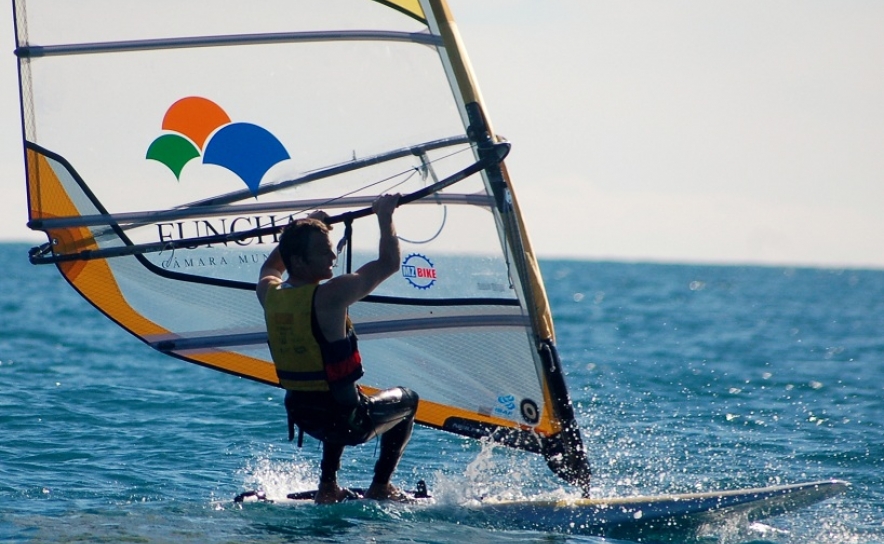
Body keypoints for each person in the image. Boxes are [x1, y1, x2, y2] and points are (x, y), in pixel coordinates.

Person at [256, 194, 419, 504]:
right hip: (346, 422)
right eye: (323, 250)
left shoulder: (268, 293)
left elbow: (272, 265)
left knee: (336, 391)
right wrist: (384, 215)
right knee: (409, 400)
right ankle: (381, 486)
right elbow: (389, 263)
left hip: (305, 416)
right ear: (301, 261)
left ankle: (328, 486)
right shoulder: (332, 295)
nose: (332, 255)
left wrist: (306, 226)